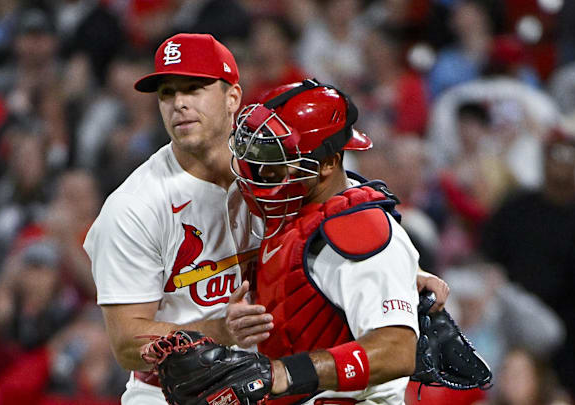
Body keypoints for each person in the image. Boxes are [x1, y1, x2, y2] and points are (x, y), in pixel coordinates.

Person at [84, 33, 449, 405]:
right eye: (167, 92)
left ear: (233, 98)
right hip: (178, 393)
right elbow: (127, 343)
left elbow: (336, 216)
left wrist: (396, 273)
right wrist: (217, 331)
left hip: (278, 381)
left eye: (194, 88)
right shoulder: (134, 208)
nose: (179, 104)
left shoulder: (280, 167)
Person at [227, 79, 423, 404]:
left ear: (328, 164)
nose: (259, 172)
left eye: (276, 161)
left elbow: (397, 350)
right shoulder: (296, 215)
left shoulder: (361, 230)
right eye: (259, 155)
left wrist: (286, 373)